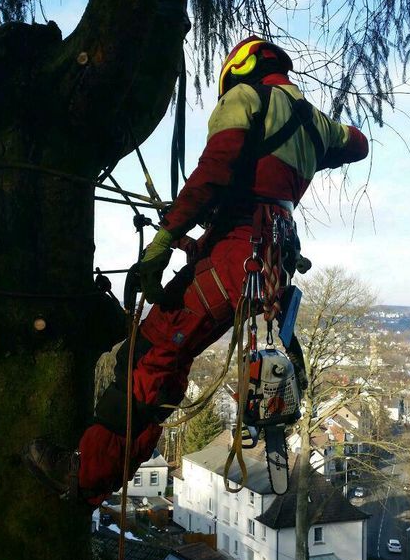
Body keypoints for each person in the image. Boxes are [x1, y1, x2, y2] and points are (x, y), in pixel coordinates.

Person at [24, 36, 369, 505]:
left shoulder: (245, 99)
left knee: (153, 353)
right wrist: (315, 141)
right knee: (168, 357)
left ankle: (84, 473)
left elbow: (212, 172)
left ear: (240, 69)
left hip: (238, 255)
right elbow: (359, 143)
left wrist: (163, 241)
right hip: (268, 262)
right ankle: (99, 469)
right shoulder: (314, 124)